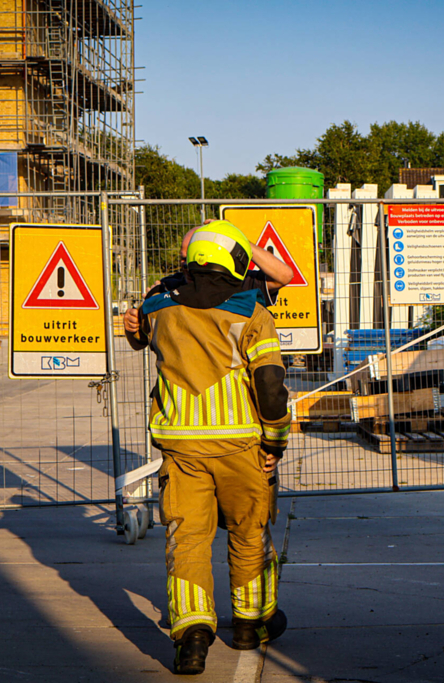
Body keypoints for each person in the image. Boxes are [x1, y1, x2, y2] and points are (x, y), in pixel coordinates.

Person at [125, 220, 291, 675]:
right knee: (248, 532)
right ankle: (250, 626)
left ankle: (193, 635)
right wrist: (275, 439)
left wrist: (131, 327)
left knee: (189, 539)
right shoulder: (251, 310)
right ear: (234, 258)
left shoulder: (158, 303)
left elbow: (140, 336)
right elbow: (271, 387)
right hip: (241, 446)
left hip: (181, 447)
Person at [122, 221, 292, 337]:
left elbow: (284, 275)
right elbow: (139, 339)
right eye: (183, 258)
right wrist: (133, 325)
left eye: (194, 256)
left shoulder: (240, 283)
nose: (187, 264)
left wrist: (238, 241)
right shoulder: (168, 287)